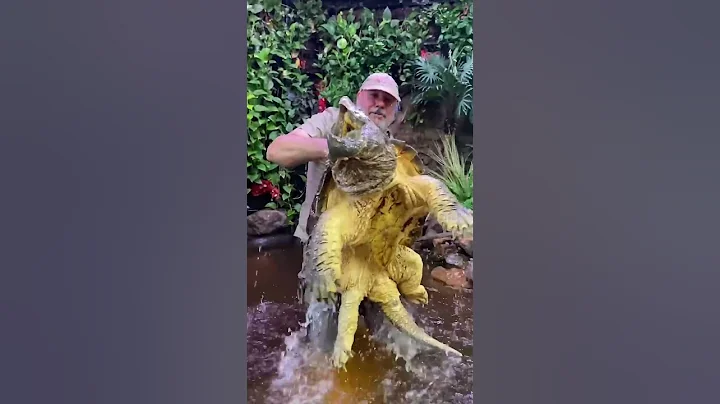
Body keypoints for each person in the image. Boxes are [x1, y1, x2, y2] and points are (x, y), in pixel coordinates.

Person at [266, 73, 402, 243]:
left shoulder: (392, 147)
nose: (380, 103)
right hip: (315, 241)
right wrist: (335, 147)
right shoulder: (332, 120)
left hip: (360, 249)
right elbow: (276, 150)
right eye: (374, 95)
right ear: (359, 97)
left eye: (388, 100)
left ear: (395, 110)